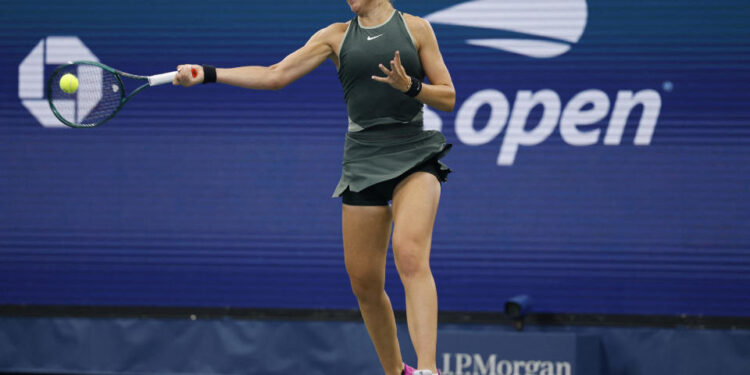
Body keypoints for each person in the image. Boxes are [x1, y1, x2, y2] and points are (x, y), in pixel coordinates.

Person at [173, 1, 454, 374]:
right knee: (364, 284)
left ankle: (429, 369)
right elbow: (276, 75)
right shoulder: (334, 37)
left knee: (408, 254)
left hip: (413, 153)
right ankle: (396, 372)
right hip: (363, 160)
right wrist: (208, 73)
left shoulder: (417, 30)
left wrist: (411, 86)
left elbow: (448, 96)